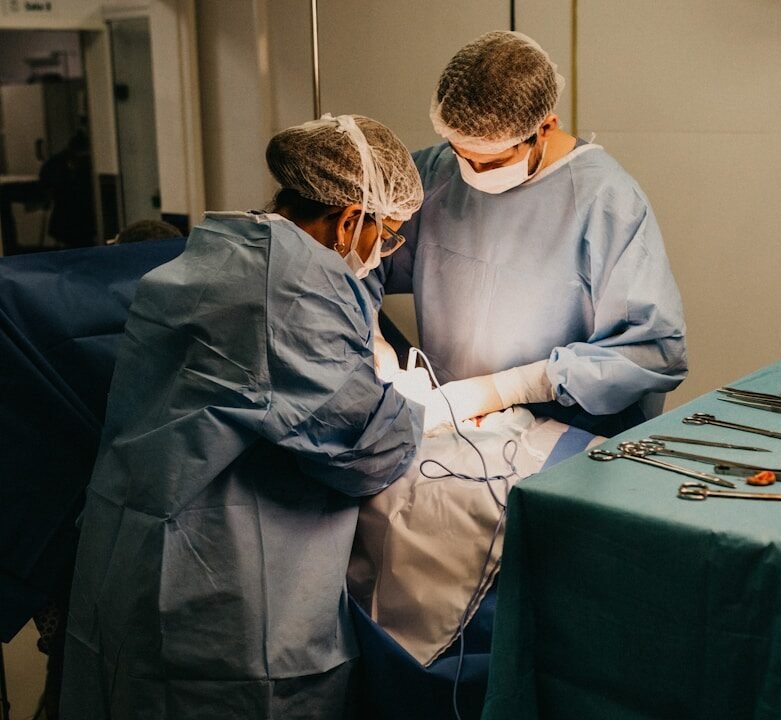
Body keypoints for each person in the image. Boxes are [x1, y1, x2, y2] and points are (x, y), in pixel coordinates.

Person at [60, 114, 425, 720]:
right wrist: (413, 407)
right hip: (214, 597)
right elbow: (368, 449)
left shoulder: (233, 246)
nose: (385, 251)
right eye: (386, 235)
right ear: (348, 219)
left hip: (134, 549)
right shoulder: (294, 290)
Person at [369, 31, 688, 436]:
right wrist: (372, 334)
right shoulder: (438, 171)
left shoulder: (606, 201)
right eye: (462, 154)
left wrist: (512, 387)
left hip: (570, 434)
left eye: (492, 161)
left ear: (545, 128)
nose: (472, 172)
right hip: (459, 425)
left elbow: (652, 351)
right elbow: (358, 254)